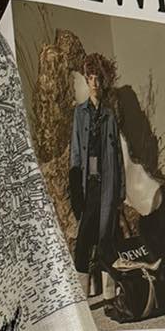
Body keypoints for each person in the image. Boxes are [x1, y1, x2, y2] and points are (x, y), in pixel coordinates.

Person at [68, 52, 126, 299]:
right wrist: (75, 191)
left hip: (108, 186)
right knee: (83, 241)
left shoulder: (110, 116)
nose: (94, 82)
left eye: (98, 78)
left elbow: (118, 156)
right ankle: (82, 297)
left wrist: (120, 191)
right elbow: (75, 153)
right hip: (88, 184)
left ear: (103, 81)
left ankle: (109, 295)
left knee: (106, 240)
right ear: (86, 80)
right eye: (90, 77)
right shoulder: (80, 113)